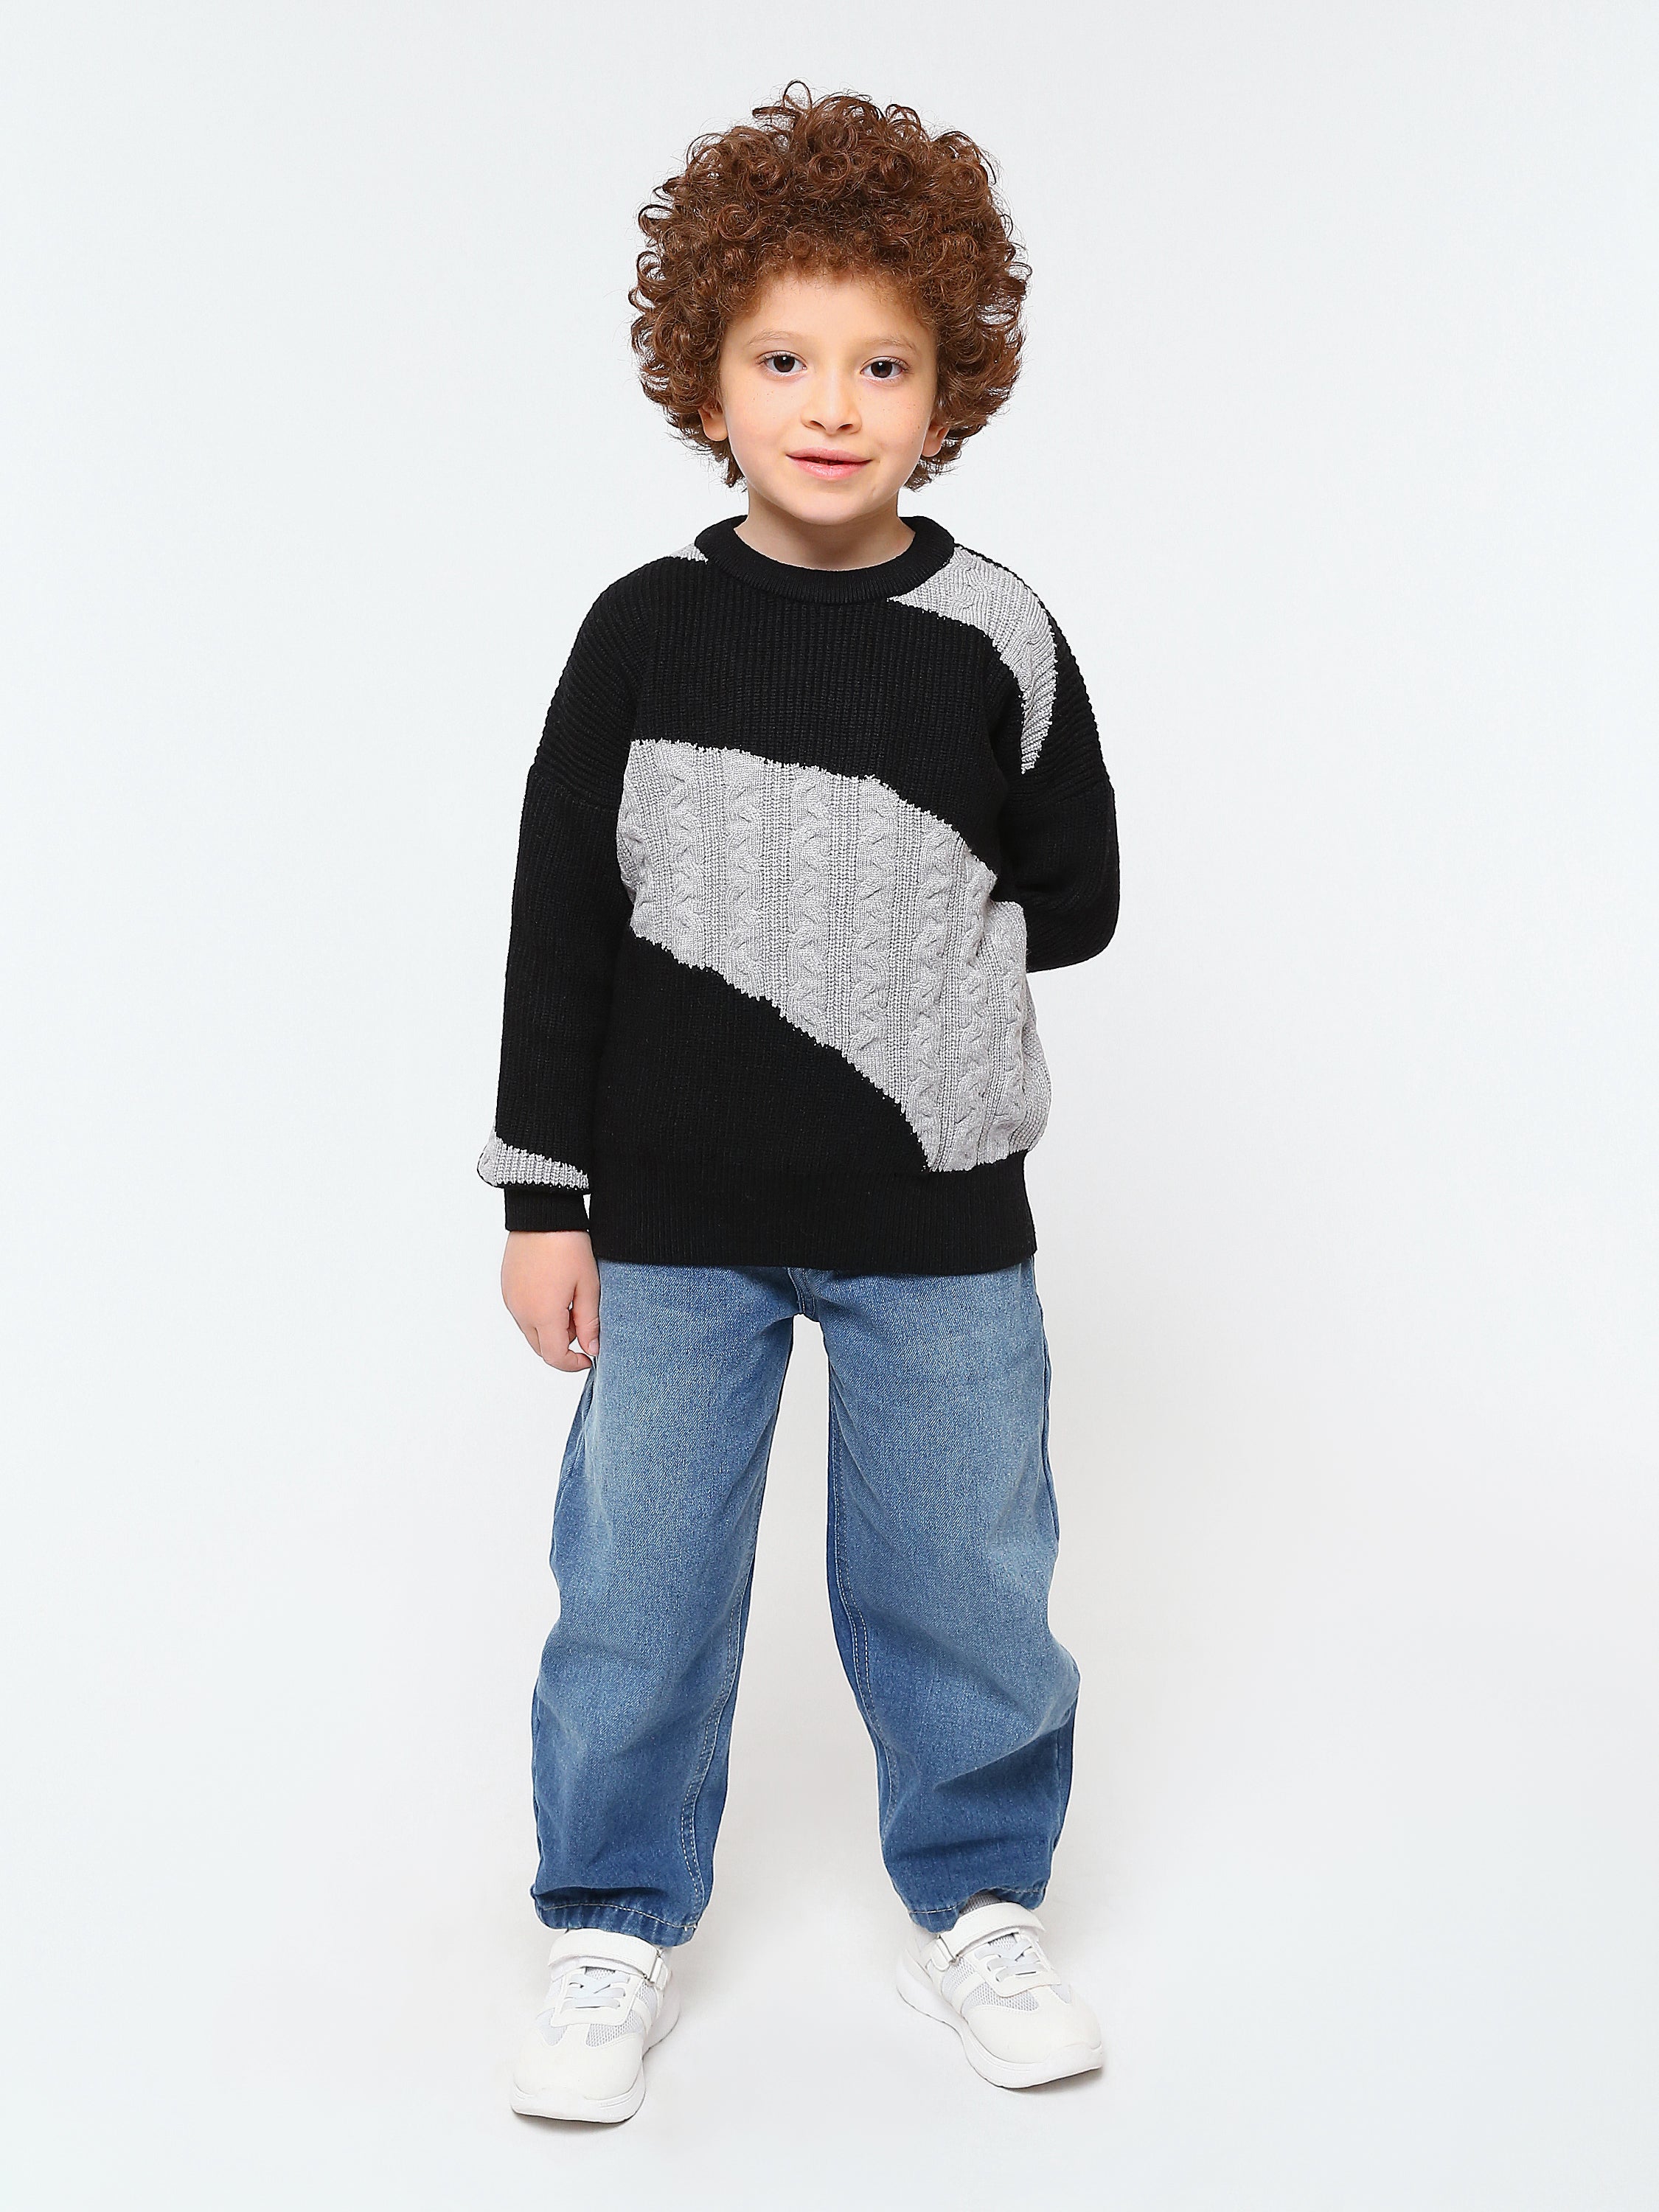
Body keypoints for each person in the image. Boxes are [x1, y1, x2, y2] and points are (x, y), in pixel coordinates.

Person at [479, 85, 1121, 2124]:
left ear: (950, 389)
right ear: (705, 382)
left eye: (881, 365)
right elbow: (561, 924)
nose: (831, 406)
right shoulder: (643, 633)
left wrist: (901, 941)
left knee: (966, 1578)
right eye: (781, 360)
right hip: (669, 1220)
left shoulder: (996, 630)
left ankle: (980, 1899)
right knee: (639, 1586)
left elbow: (1078, 895)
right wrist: (543, 1200)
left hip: (937, 1214)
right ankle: (610, 1921)